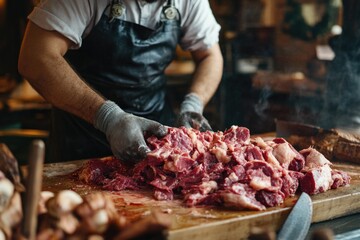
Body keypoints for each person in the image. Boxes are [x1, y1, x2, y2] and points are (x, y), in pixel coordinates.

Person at [18, 0, 223, 163]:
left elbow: (210, 56)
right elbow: (36, 58)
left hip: (156, 146)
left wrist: (193, 105)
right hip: (83, 145)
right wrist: (109, 118)